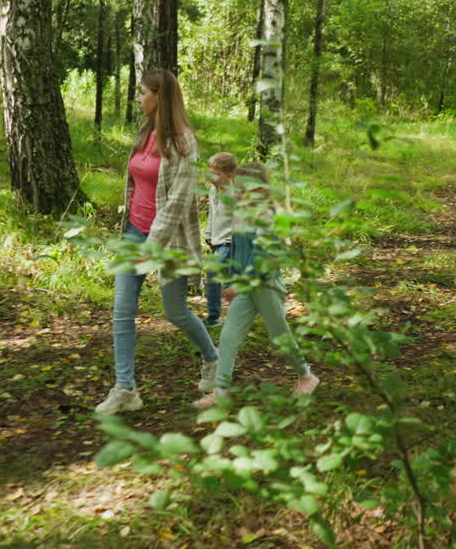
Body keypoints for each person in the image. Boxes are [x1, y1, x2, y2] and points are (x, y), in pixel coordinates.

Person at [96, 71, 220, 415]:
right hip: (134, 233)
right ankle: (125, 389)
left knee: (175, 312)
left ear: (159, 97)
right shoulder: (145, 132)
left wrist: (153, 244)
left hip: (168, 242)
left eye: (142, 93)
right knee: (122, 312)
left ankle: (213, 358)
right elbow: (136, 183)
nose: (138, 99)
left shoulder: (184, 142)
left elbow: (180, 200)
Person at [192, 163, 319, 409]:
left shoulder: (270, 214)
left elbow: (269, 258)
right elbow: (238, 250)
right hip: (244, 287)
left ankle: (306, 375)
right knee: (229, 337)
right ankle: (221, 392)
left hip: (266, 286)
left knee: (279, 337)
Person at [204, 152, 238, 326]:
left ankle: (213, 316)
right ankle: (238, 313)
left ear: (229, 176)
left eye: (216, 174)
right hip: (216, 240)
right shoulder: (213, 189)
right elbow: (212, 214)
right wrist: (208, 235)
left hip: (229, 241)